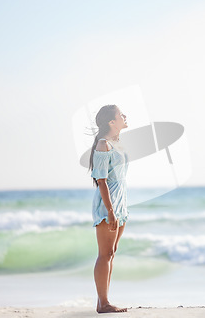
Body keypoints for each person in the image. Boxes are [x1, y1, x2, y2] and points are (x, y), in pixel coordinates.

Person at [88, 104, 129, 313]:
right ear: (111, 122)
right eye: (121, 115)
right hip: (108, 204)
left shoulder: (116, 143)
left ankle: (102, 301)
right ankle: (104, 303)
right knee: (104, 254)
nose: (124, 116)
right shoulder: (103, 144)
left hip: (119, 203)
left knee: (111, 252)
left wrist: (119, 209)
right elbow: (101, 180)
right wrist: (110, 210)